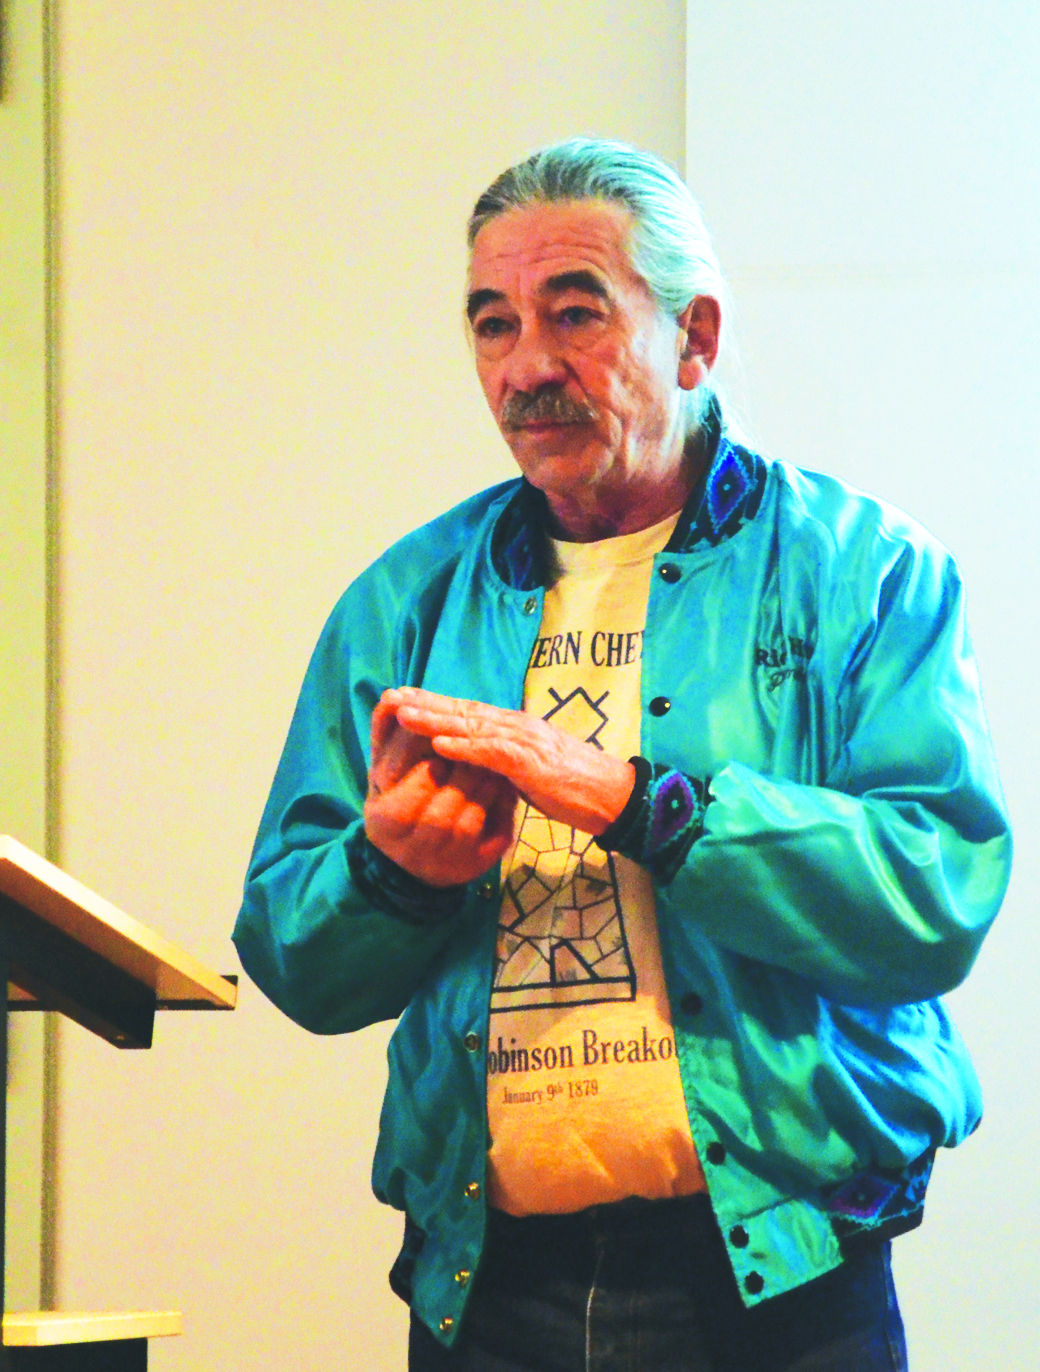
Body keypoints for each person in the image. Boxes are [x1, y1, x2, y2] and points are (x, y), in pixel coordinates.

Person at [233, 139, 1011, 1371]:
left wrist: (644, 806)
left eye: (574, 313)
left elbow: (933, 894)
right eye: (492, 324)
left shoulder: (863, 571)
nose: (525, 366)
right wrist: (389, 874)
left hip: (781, 1283)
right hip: (486, 1288)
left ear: (693, 337)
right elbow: (291, 955)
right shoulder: (401, 604)